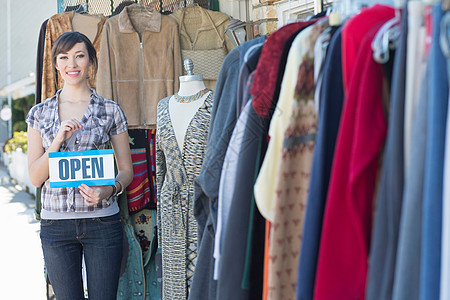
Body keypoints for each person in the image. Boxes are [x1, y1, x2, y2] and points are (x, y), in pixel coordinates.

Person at [26, 31, 133, 300]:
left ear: (90, 61)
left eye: (79, 56)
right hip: (56, 226)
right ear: (55, 64)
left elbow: (127, 170)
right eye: (64, 57)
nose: (71, 64)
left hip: (102, 222)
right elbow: (36, 178)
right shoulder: (40, 113)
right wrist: (57, 141)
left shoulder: (110, 110)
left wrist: (109, 190)